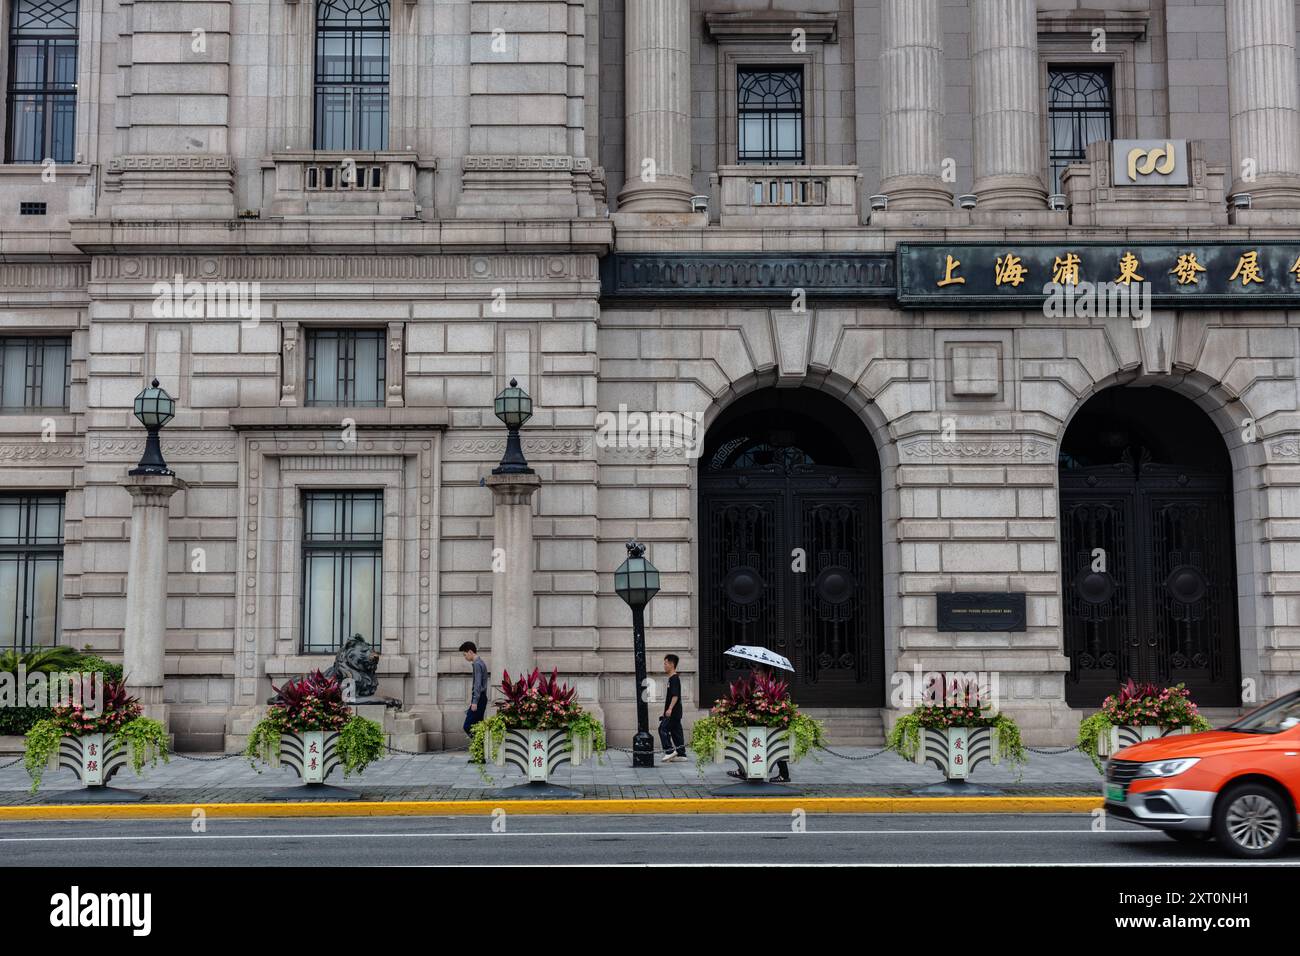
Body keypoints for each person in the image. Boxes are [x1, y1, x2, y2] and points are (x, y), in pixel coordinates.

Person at [658, 654, 687, 761]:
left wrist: (669, 709)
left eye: (665, 663)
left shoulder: (674, 679)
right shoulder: (672, 678)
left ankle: (669, 751)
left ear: (671, 664)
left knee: (662, 729)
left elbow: (675, 696)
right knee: (676, 732)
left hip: (673, 712)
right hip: (676, 711)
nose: (664, 666)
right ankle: (681, 754)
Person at [460, 641, 488, 735]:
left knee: (467, 726)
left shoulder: (477, 664)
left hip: (479, 698)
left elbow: (477, 684)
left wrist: (475, 701)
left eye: (465, 655)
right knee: (478, 726)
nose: (465, 658)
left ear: (470, 652)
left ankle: (480, 746)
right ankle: (481, 748)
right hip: (482, 697)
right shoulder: (481, 663)